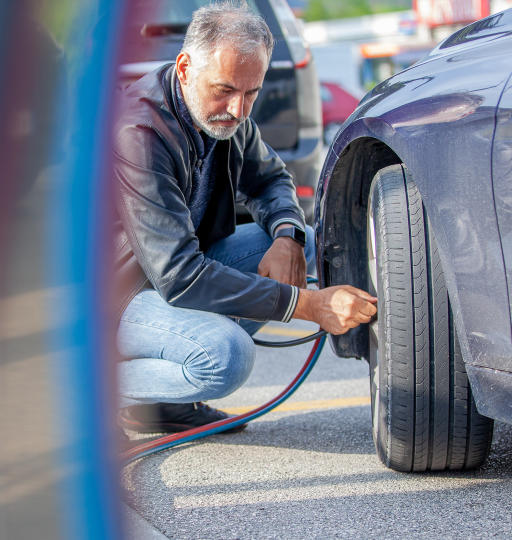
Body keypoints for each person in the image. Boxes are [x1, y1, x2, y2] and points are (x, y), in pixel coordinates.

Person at [111, 1, 376, 434]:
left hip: (178, 271)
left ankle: (167, 406)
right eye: (225, 90)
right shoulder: (138, 133)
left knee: (305, 241)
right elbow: (181, 277)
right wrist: (307, 305)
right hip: (120, 298)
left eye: (251, 93)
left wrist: (286, 235)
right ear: (183, 68)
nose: (238, 109)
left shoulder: (223, 115)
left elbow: (270, 179)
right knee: (225, 357)